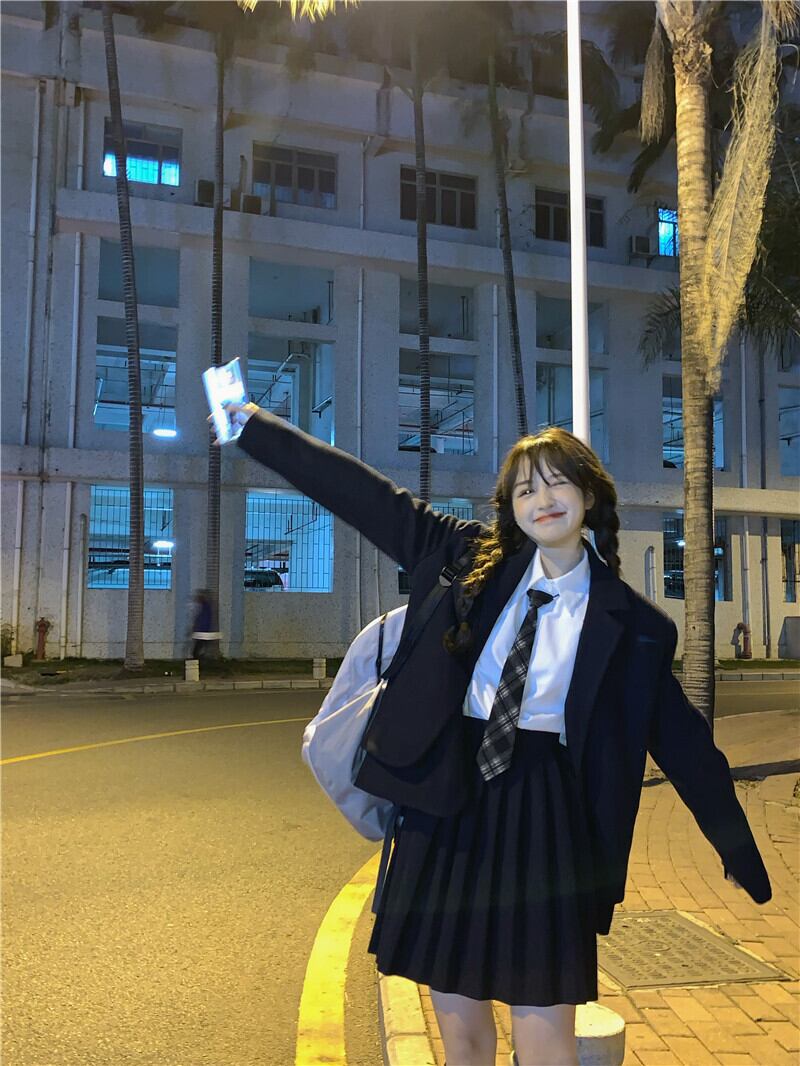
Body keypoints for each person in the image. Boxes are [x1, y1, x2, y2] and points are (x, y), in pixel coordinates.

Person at [221, 403, 771, 1066]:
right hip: (449, 808)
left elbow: (684, 745)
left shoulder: (636, 625)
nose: (543, 499)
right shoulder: (465, 559)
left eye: (558, 482)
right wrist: (253, 426)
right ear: (509, 506)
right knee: (464, 1040)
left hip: (547, 819)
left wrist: (737, 848)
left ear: (589, 496)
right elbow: (363, 494)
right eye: (525, 488)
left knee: (547, 1042)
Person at [189, 589, 219, 660]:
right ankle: (202, 660)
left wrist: (196, 629)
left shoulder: (205, 607)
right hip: (203, 632)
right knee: (199, 650)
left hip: (202, 633)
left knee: (196, 651)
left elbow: (203, 620)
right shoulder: (205, 607)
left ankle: (200, 661)